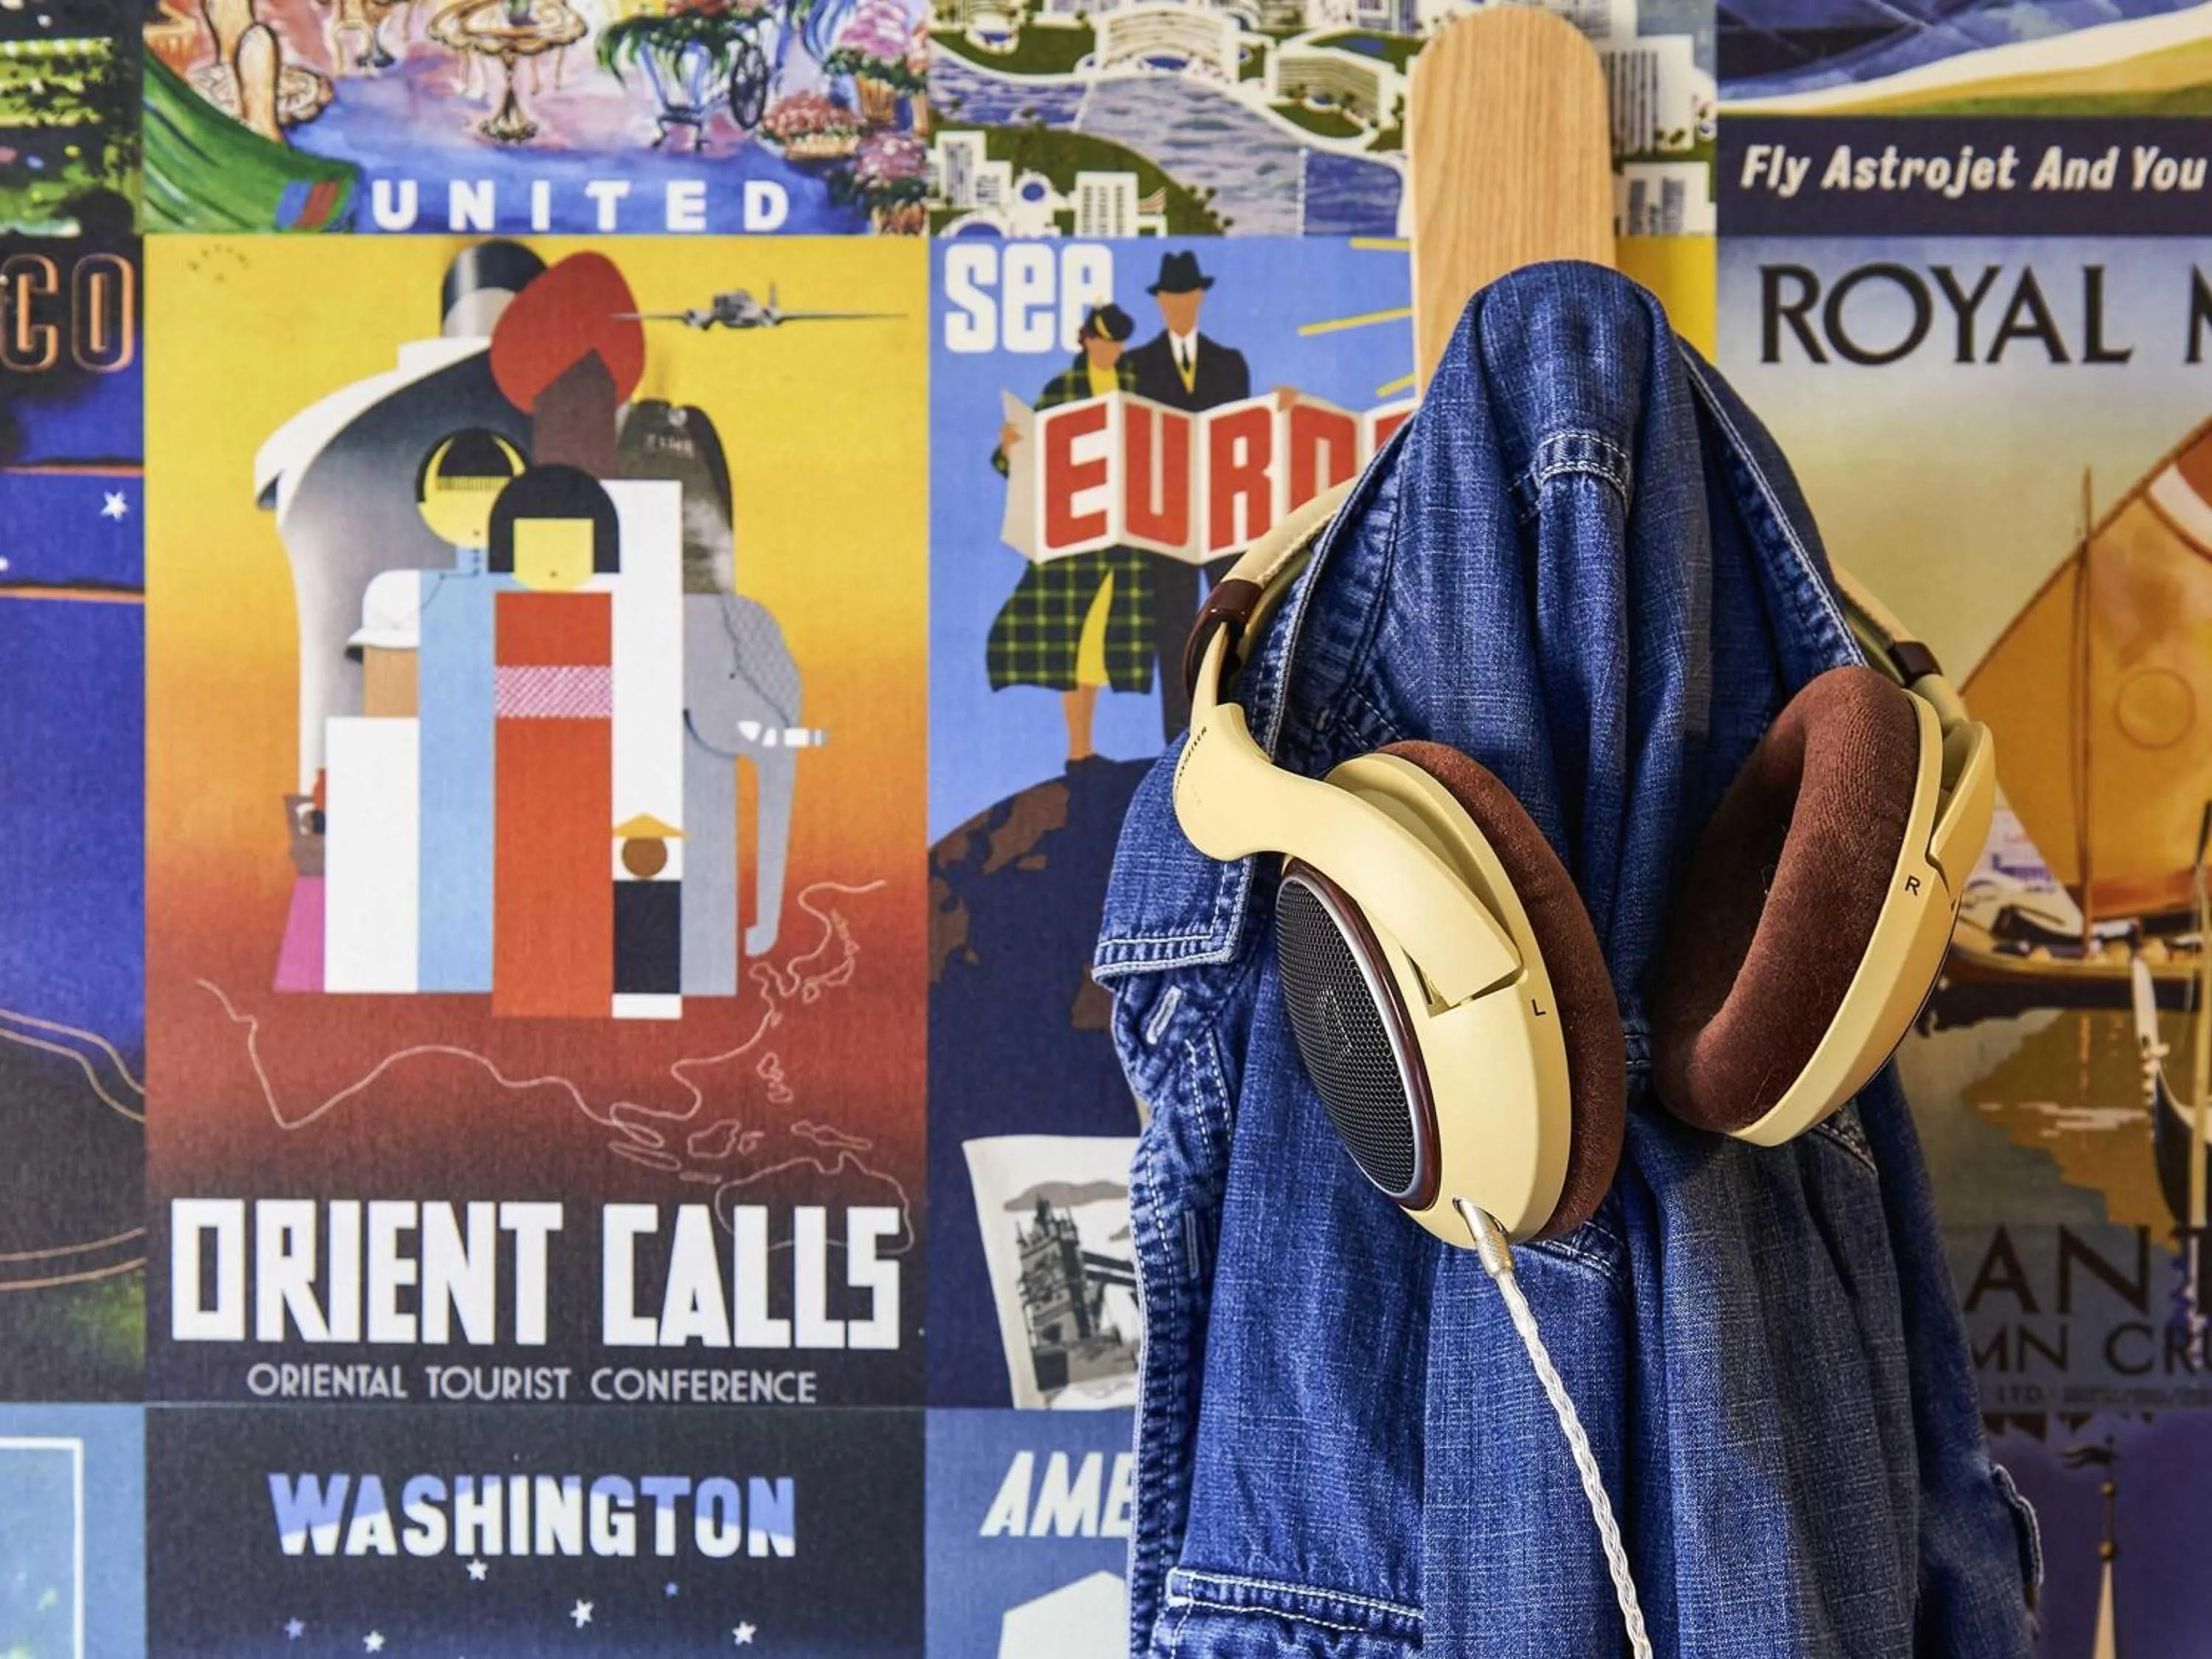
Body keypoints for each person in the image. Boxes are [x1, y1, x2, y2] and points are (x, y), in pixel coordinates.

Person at [989, 303, 1155, 768]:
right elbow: (1022, 459)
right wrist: (1008, 449)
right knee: (1075, 645)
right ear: (1087, 341)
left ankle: (1087, 748)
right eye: (1105, 343)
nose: (1112, 352)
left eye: (1118, 344)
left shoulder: (1135, 384)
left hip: (1123, 541)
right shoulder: (1062, 389)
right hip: (1075, 543)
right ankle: (1078, 748)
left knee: (1106, 642)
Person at [1124, 250, 1262, 741]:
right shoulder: (1135, 365)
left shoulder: (1229, 363)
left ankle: (1238, 728)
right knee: (1172, 627)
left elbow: (1242, 435)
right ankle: (1177, 741)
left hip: (1220, 513)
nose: (1179, 306)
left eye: (1186, 296)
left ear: (1197, 299)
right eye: (1171, 298)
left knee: (1238, 622)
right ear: (1160, 303)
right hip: (1161, 520)